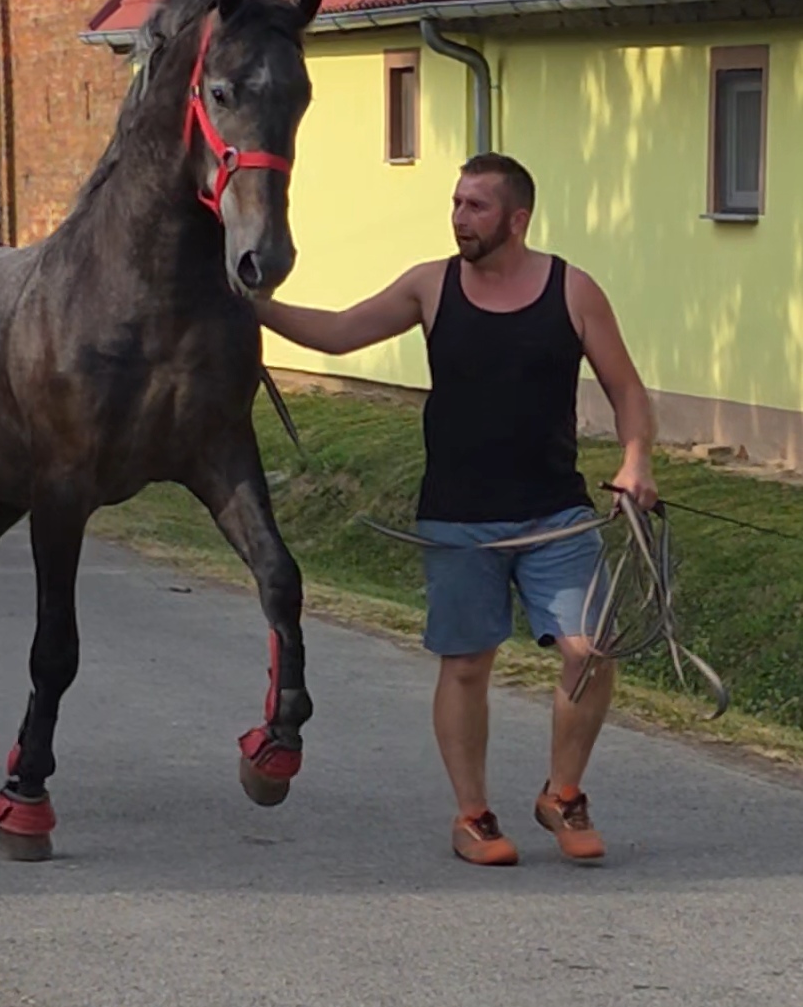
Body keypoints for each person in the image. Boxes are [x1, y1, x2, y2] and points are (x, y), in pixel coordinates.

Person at [256, 152, 657, 868]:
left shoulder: (573, 290)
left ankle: (562, 794)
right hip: (459, 517)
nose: (459, 218)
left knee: (589, 655)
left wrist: (635, 462)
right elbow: (341, 330)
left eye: (476, 206)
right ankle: (472, 815)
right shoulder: (430, 286)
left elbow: (628, 390)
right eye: (456, 203)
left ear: (517, 218)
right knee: (468, 665)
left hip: (556, 514)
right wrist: (253, 308)